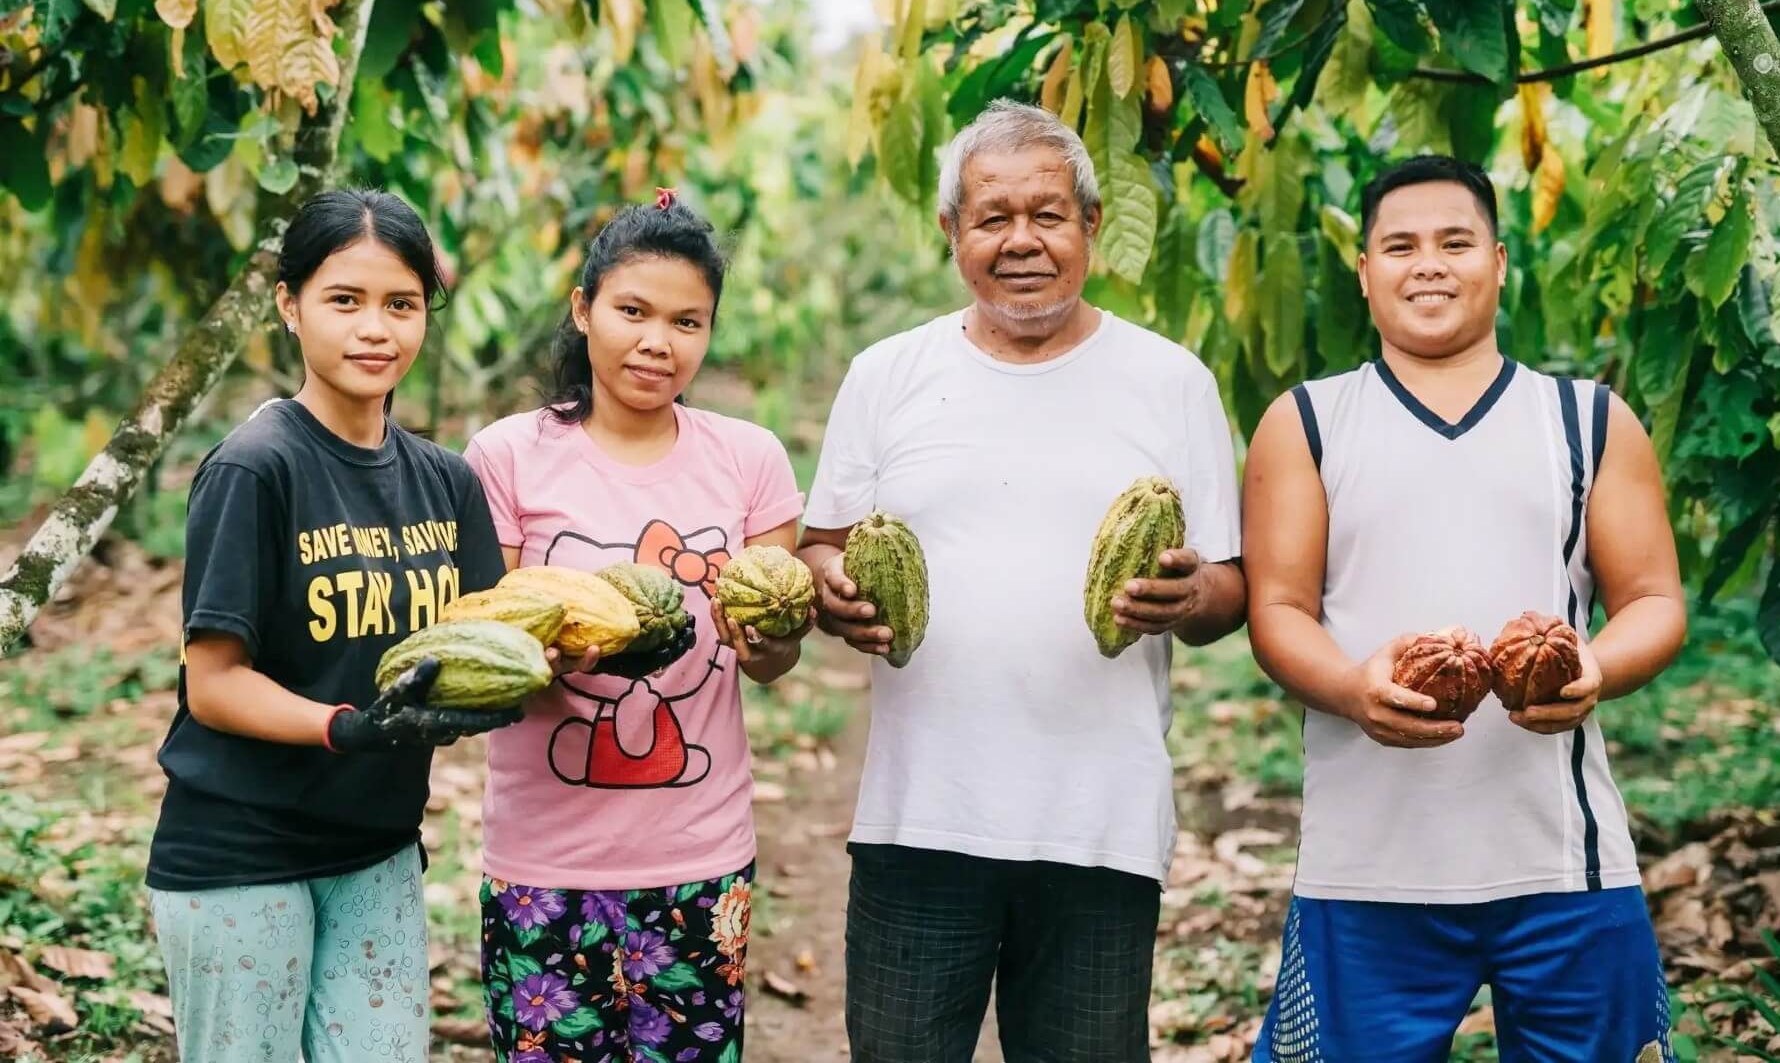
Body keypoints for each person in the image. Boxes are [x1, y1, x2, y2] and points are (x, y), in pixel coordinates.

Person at [798, 100, 1247, 1063]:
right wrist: (833, 587)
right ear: (951, 232)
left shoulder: (1172, 382)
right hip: (921, 816)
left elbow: (1231, 587)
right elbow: (820, 544)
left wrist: (1189, 596)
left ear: (1091, 225)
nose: (1022, 240)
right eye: (992, 217)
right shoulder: (887, 375)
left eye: (1048, 214)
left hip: (1100, 822)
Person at [1242, 156, 1687, 1063]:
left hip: (1566, 861)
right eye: (1399, 245)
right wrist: (1352, 685)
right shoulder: (1308, 421)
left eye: (1456, 241)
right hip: (1367, 866)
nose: (1429, 263)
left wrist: (1596, 665)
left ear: (1498, 259)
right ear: (1363, 272)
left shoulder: (1587, 418)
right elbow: (1278, 609)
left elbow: (1652, 598)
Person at [146, 189, 521, 1062]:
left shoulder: (447, 480)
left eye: (402, 303)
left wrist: (617, 636)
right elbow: (214, 682)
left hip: (378, 850)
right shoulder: (255, 465)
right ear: (290, 304)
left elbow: (495, 639)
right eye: (344, 300)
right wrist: (346, 728)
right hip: (241, 851)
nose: (375, 329)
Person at [465, 190, 811, 1062]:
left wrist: (770, 640)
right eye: (633, 311)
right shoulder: (506, 455)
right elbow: (490, 646)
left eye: (687, 321)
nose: (658, 341)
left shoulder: (750, 459)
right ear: (583, 310)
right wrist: (543, 654)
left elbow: (773, 660)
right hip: (543, 860)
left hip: (700, 852)